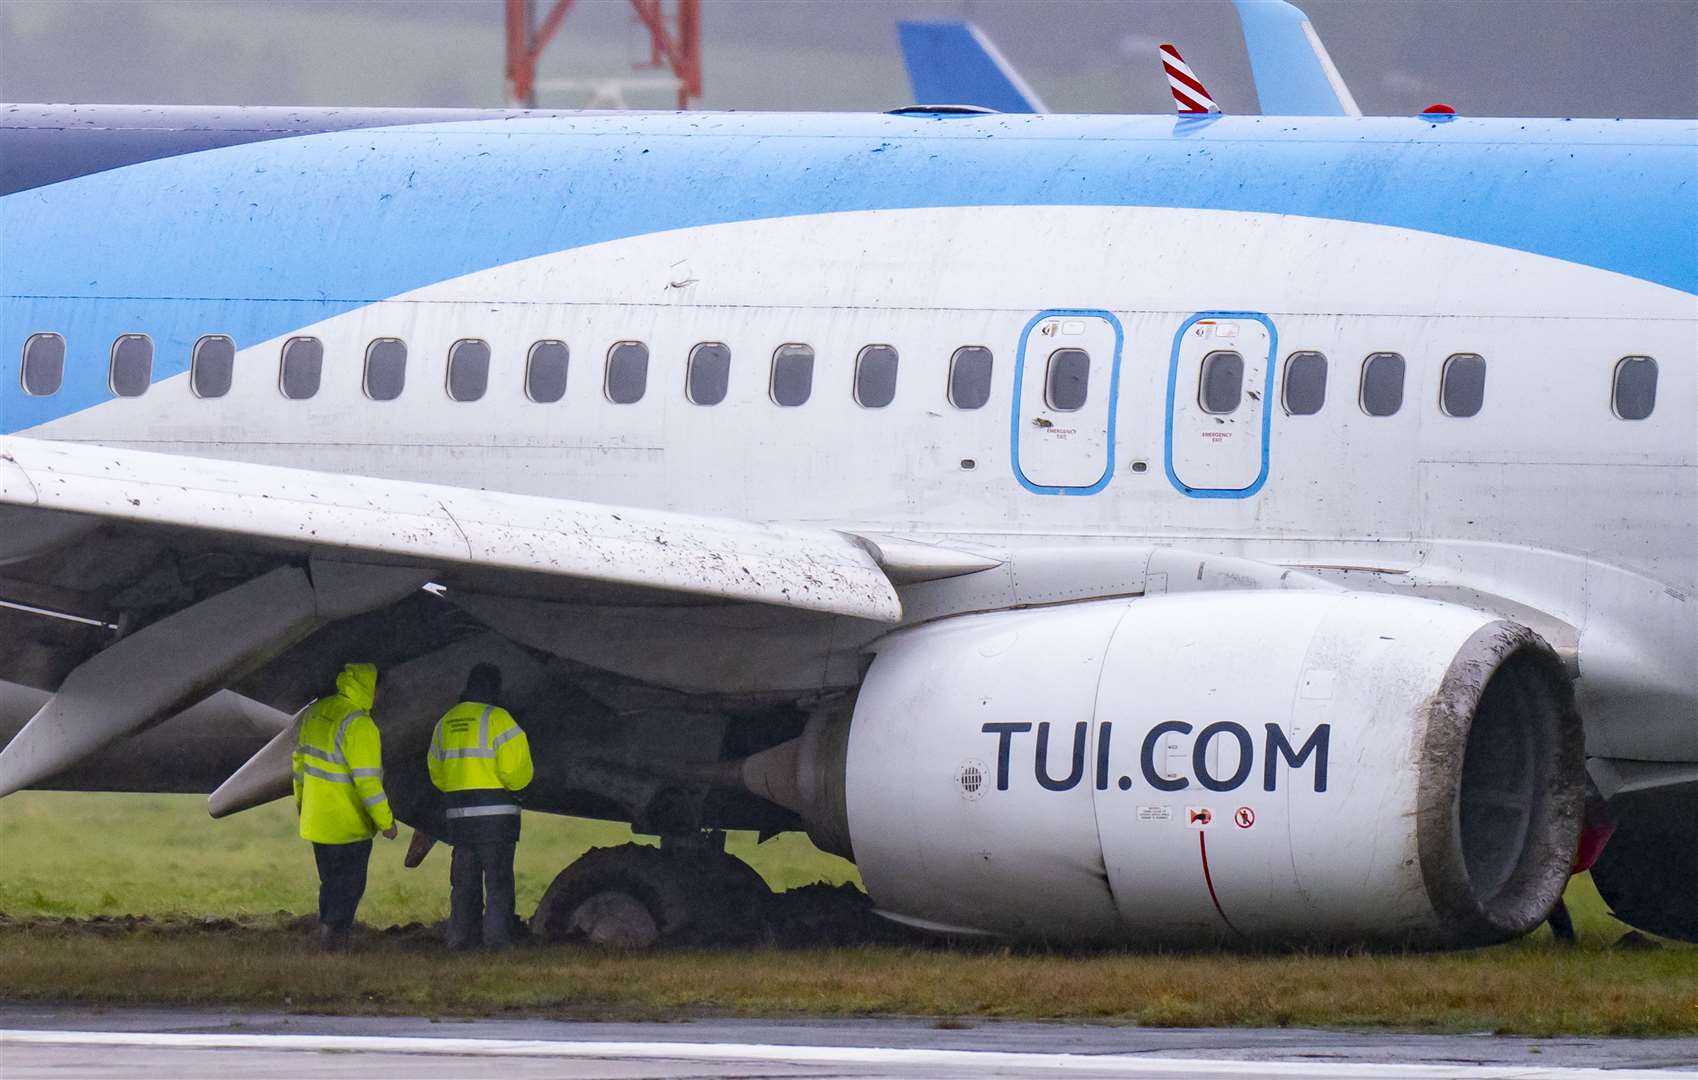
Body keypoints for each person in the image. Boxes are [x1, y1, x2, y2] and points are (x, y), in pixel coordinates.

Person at [292, 662, 397, 952]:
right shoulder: (359, 724)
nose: (381, 697)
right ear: (370, 687)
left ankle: (328, 936)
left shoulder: (317, 712)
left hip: (317, 821)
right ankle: (334, 945)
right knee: (349, 888)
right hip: (347, 825)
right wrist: (386, 823)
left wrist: (302, 804)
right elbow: (368, 784)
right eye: (380, 690)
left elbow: (298, 765)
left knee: (329, 884)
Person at [428, 663, 534, 950]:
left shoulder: (446, 722)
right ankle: (496, 943)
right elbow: (516, 773)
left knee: (463, 885)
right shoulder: (500, 719)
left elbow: (436, 772)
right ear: (494, 688)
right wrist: (521, 792)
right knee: (498, 884)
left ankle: (460, 941)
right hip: (497, 819)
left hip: (460, 821)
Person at [1548, 777, 1617, 945]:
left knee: (1551, 895)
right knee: (1551, 895)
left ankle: (1565, 938)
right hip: (1589, 831)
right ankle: (1565, 938)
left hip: (1588, 832)